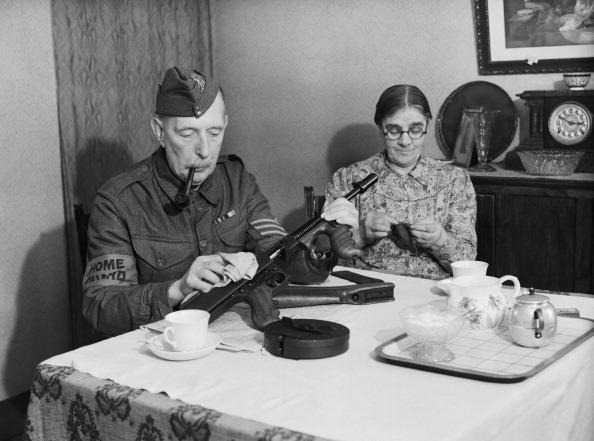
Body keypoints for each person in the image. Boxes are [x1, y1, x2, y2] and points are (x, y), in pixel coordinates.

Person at [82, 66, 358, 336]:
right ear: (160, 132)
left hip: (229, 340)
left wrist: (321, 239)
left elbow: (281, 261)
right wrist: (177, 289)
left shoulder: (238, 183)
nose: (204, 150)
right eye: (187, 134)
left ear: (225, 125)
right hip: (158, 349)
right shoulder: (118, 200)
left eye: (214, 133)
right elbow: (100, 308)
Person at [325, 84, 477, 279]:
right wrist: (362, 235)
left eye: (415, 129)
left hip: (432, 295)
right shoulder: (348, 179)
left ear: (427, 125)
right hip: (366, 291)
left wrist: (440, 240)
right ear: (380, 128)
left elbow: (468, 264)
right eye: (394, 130)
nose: (405, 141)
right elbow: (325, 258)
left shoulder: (455, 180)